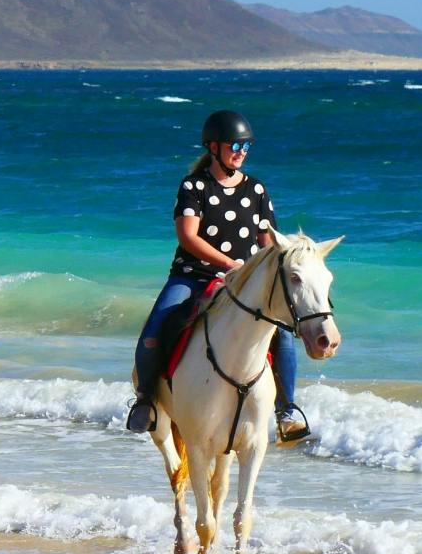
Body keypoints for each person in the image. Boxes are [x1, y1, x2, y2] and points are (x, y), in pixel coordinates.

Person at [127, 109, 308, 442]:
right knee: (156, 326)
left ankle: (287, 409)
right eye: (234, 146)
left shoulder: (256, 190)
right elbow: (188, 237)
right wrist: (229, 264)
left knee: (282, 332)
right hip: (193, 275)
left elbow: (269, 243)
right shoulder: (194, 186)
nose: (241, 153)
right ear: (213, 147)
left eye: (245, 147)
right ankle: (147, 401)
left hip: (243, 283)